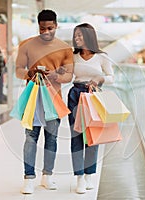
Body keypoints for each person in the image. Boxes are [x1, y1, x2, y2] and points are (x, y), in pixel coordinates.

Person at [15, 9, 74, 194]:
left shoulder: (65, 48)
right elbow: (17, 69)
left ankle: (47, 176)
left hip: (54, 100)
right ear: (38, 27)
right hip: (33, 99)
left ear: (56, 26)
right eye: (42, 29)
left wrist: (55, 75)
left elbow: (69, 75)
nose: (46, 32)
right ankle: (29, 178)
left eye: (50, 28)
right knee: (30, 137)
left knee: (52, 139)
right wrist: (28, 73)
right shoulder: (26, 45)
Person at [67, 23, 114, 194]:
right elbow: (67, 75)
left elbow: (111, 77)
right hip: (75, 95)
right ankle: (79, 176)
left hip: (94, 94)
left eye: (80, 35)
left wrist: (99, 79)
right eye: (75, 36)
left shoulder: (102, 56)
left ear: (89, 36)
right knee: (76, 135)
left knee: (93, 136)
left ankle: (89, 174)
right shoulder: (73, 56)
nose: (77, 38)